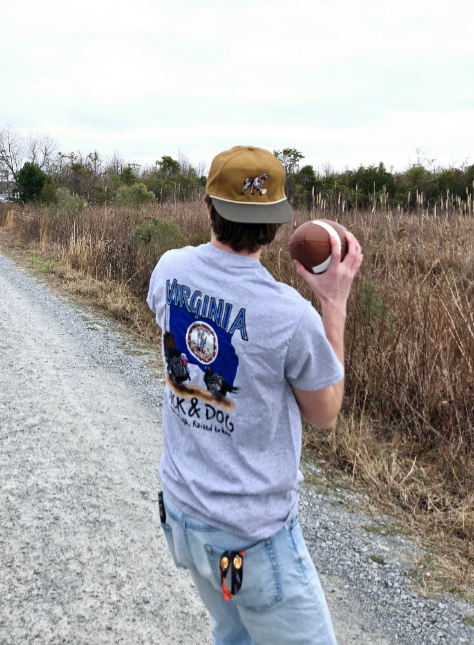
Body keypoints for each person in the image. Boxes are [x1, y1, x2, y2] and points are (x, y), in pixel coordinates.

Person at [146, 146, 363, 645]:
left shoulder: (169, 269)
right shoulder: (289, 315)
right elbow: (326, 412)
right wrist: (332, 301)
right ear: (278, 224)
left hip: (182, 514)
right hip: (252, 540)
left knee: (234, 635)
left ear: (208, 208)